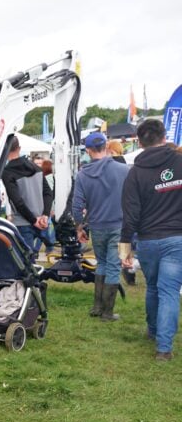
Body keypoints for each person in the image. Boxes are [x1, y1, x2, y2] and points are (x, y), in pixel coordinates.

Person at [119, 119, 182, 361]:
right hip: (176, 239)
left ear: (139, 141)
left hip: (148, 241)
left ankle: (154, 331)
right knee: (169, 291)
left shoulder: (135, 173)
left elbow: (130, 215)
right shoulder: (179, 161)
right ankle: (163, 348)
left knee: (154, 287)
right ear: (164, 136)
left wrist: (124, 250)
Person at [72, 131, 130, 321]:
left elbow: (77, 206)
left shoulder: (82, 174)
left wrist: (79, 227)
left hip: (97, 226)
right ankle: (107, 312)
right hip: (120, 226)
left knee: (102, 263)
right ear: (106, 147)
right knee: (114, 265)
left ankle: (97, 307)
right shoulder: (124, 170)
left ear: (88, 150)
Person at [1, 135, 54, 255]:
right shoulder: (36, 168)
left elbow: (17, 201)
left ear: (4, 150)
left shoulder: (7, 172)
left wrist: (33, 220)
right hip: (40, 219)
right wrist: (45, 215)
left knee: (25, 260)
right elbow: (48, 193)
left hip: (23, 222)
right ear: (19, 148)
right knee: (31, 258)